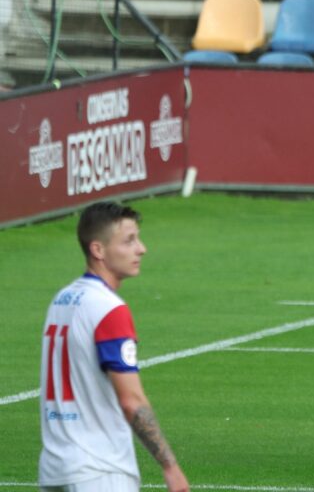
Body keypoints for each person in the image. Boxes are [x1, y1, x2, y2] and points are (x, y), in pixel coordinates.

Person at [39, 201, 189, 492]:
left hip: (55, 470)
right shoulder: (109, 309)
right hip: (100, 471)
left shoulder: (62, 299)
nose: (141, 249)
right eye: (129, 241)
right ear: (98, 250)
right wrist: (170, 467)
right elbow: (131, 401)